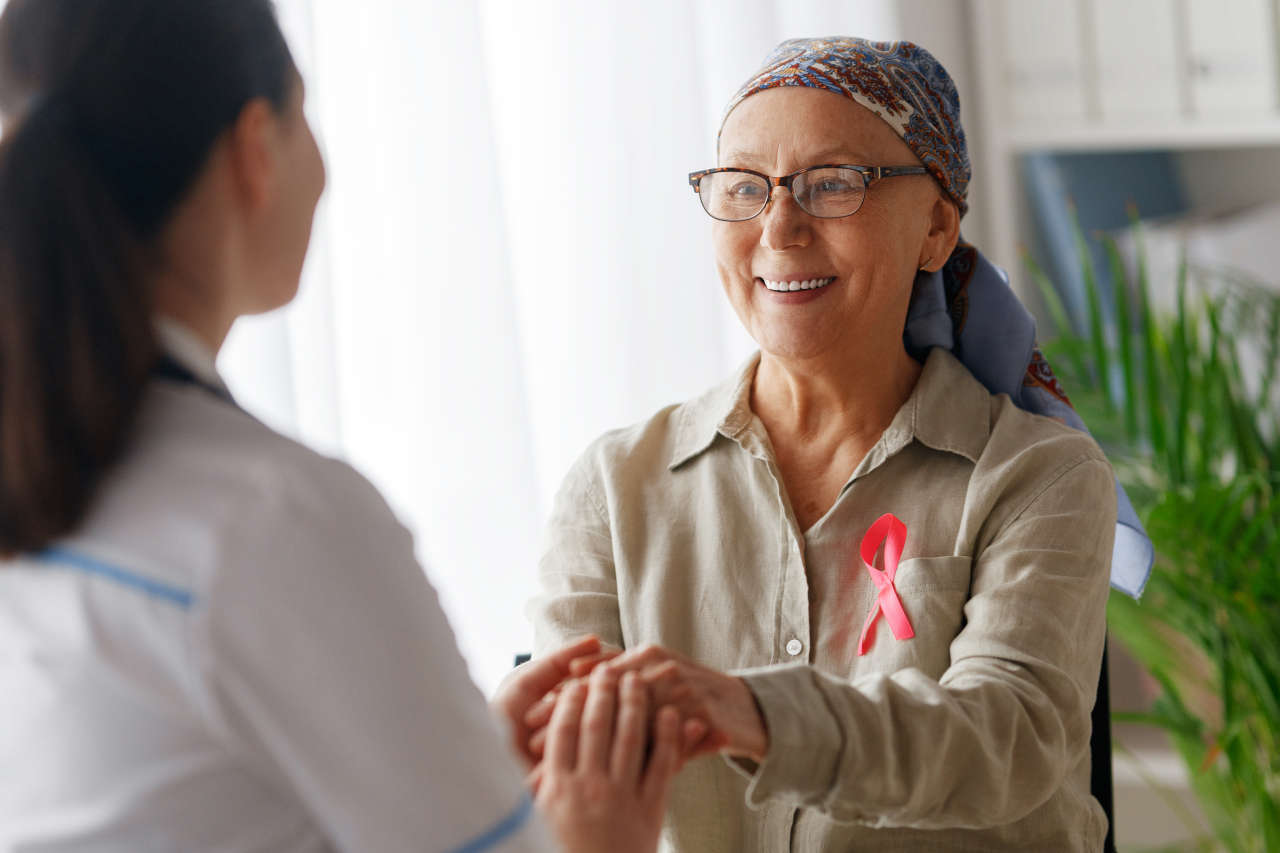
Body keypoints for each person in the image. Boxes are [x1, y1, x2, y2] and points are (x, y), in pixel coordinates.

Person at [0, 1, 683, 851]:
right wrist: (594, 834)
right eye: (305, 114)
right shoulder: (270, 520)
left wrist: (448, 765)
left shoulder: (62, 487)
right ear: (255, 150)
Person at [527, 37, 1151, 851]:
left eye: (832, 185)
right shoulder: (613, 486)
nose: (778, 227)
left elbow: (1006, 736)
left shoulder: (1038, 474)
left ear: (935, 227)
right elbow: (566, 772)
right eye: (745, 188)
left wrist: (752, 713)